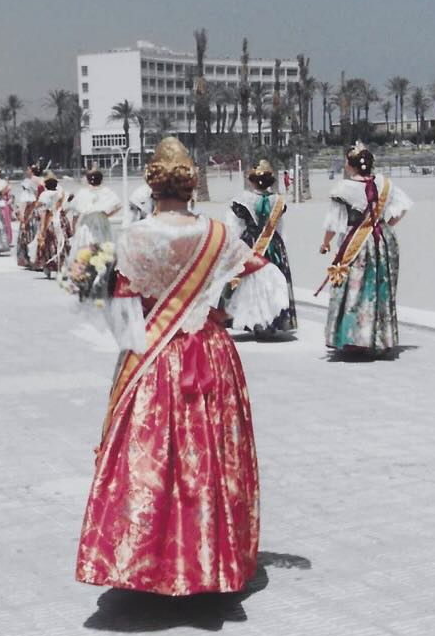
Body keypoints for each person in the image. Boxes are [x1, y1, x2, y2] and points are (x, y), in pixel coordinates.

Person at [77, 137, 283, 597]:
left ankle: (144, 561)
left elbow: (100, 293)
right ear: (191, 189)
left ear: (153, 188)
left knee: (148, 455)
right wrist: (218, 307)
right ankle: (208, 559)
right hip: (208, 353)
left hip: (150, 352)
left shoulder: (131, 236)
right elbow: (265, 275)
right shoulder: (218, 234)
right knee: (208, 455)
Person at [319, 142, 412, 355]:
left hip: (356, 241)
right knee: (379, 287)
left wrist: (325, 243)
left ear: (350, 166)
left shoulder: (343, 189)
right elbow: (402, 208)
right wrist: (384, 225)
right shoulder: (384, 184)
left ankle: (355, 338)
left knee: (355, 287)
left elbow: (335, 223)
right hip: (382, 240)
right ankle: (379, 338)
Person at [224, 160, 296, 336]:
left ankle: (252, 320)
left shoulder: (242, 200)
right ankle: (271, 320)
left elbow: (233, 226)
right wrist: (280, 246)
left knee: (250, 281)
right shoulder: (277, 200)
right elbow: (280, 227)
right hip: (273, 245)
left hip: (249, 243)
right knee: (271, 282)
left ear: (251, 180)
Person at [64, 165, 121, 256]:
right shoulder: (106, 191)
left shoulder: (83, 192)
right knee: (103, 245)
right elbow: (118, 205)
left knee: (86, 246)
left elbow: (72, 208)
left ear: (87, 180)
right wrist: (107, 215)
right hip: (101, 221)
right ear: (101, 180)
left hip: (87, 224)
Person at [31, 172, 69, 276]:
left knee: (47, 243)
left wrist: (42, 228)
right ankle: (61, 265)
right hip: (60, 220)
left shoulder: (44, 195)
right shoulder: (60, 193)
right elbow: (65, 209)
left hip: (49, 221)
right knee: (59, 242)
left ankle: (47, 266)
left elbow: (44, 211)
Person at [15, 164, 44, 267]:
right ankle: (40, 258)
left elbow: (26, 200)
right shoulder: (43, 181)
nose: (27, 171)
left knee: (28, 234)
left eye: (28, 169)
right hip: (41, 210)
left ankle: (29, 259)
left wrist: (22, 214)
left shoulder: (28, 183)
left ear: (31, 171)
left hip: (31, 211)